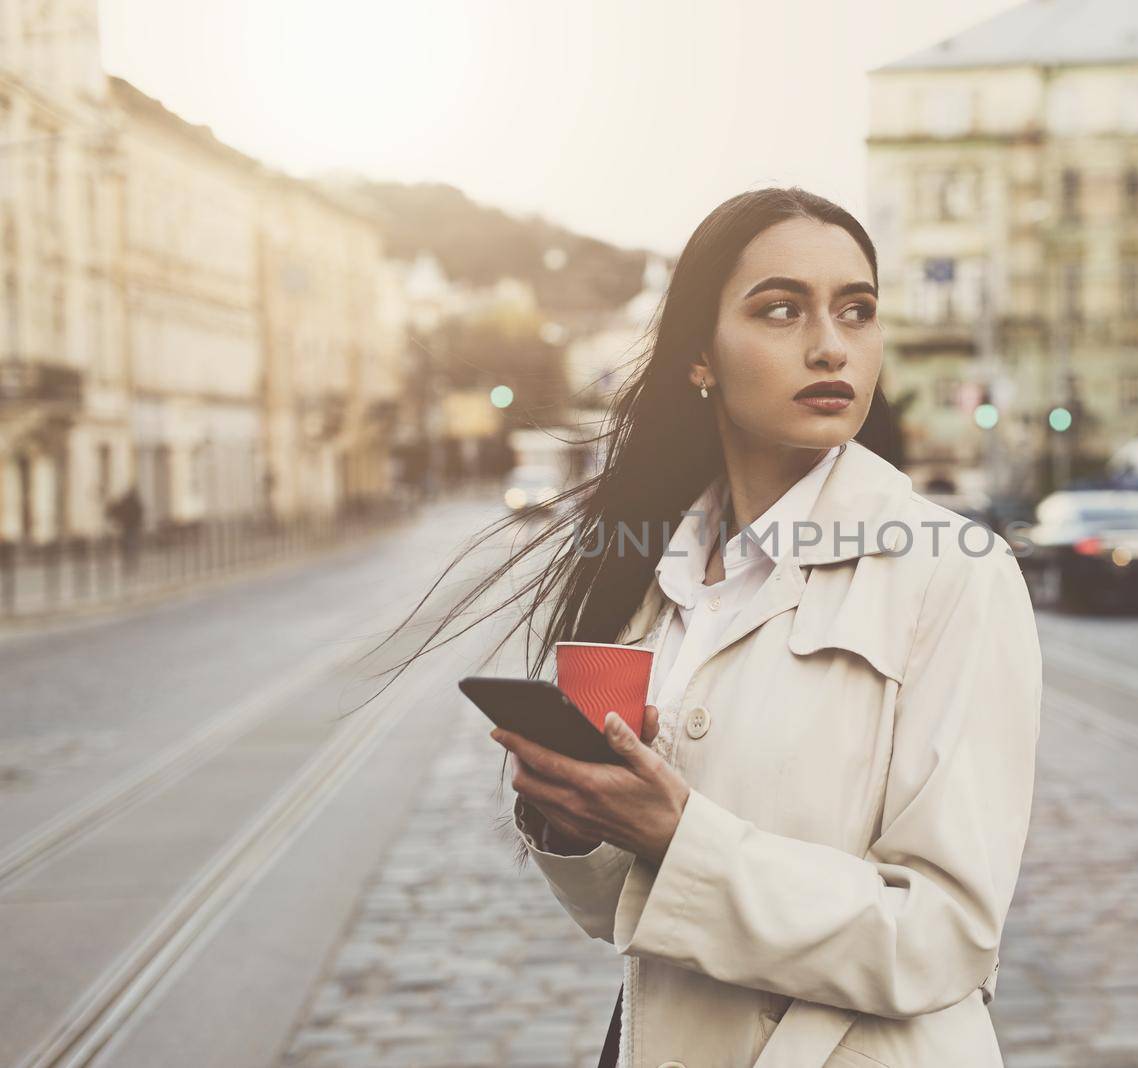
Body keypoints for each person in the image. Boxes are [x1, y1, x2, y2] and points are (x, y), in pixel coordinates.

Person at [387, 187, 1042, 1067]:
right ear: (701, 355)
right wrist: (577, 822)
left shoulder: (953, 571)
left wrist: (677, 832)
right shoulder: (650, 575)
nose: (830, 345)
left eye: (858, 311)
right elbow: (620, 908)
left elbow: (948, 937)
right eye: (781, 310)